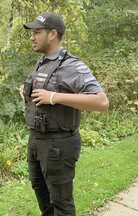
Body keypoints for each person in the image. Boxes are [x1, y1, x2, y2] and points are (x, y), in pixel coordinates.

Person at [19, 12, 109, 216]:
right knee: (44, 199)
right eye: (32, 33)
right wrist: (27, 93)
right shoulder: (42, 62)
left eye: (37, 32)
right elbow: (42, 95)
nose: (32, 37)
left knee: (61, 204)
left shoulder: (70, 65)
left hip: (58, 145)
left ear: (52, 34)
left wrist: (54, 97)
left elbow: (101, 101)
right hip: (37, 141)